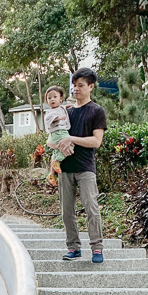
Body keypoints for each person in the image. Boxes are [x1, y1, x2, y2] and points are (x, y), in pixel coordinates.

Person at [48, 67, 106, 264]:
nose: (76, 89)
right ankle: (73, 247)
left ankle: (97, 248)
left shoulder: (97, 111)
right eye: (74, 86)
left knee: (91, 207)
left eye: (80, 85)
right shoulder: (65, 112)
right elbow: (51, 139)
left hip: (86, 168)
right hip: (65, 168)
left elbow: (96, 141)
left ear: (91, 86)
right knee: (67, 211)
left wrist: (72, 139)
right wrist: (59, 146)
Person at [43, 85, 72, 188]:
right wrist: (58, 118)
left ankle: (51, 174)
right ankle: (56, 162)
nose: (52, 100)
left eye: (55, 97)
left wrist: (72, 105)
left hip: (58, 133)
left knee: (56, 151)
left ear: (61, 98)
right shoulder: (50, 112)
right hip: (58, 132)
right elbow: (50, 119)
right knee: (70, 145)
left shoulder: (61, 107)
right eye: (49, 98)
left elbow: (65, 107)